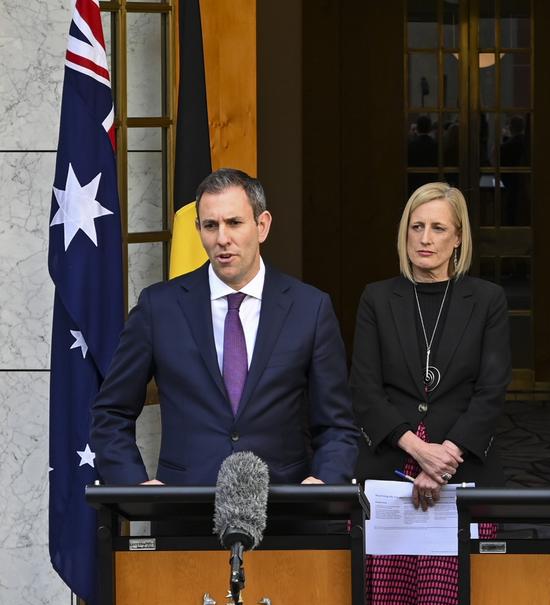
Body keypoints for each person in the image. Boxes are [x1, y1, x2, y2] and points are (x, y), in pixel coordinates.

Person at [350, 182, 510, 605]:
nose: (425, 238)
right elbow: (364, 390)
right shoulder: (377, 297)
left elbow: (490, 391)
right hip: (388, 473)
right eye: (416, 227)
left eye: (438, 228)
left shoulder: (486, 300)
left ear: (458, 237)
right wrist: (417, 450)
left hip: (462, 476)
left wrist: (446, 457)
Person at [91, 168, 359, 486]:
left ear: (262, 226)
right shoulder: (159, 308)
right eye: (210, 225)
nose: (222, 239)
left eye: (234, 223)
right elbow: (111, 413)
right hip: (185, 513)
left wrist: (323, 484)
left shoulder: (309, 309)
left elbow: (337, 425)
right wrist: (135, 486)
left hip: (285, 514)